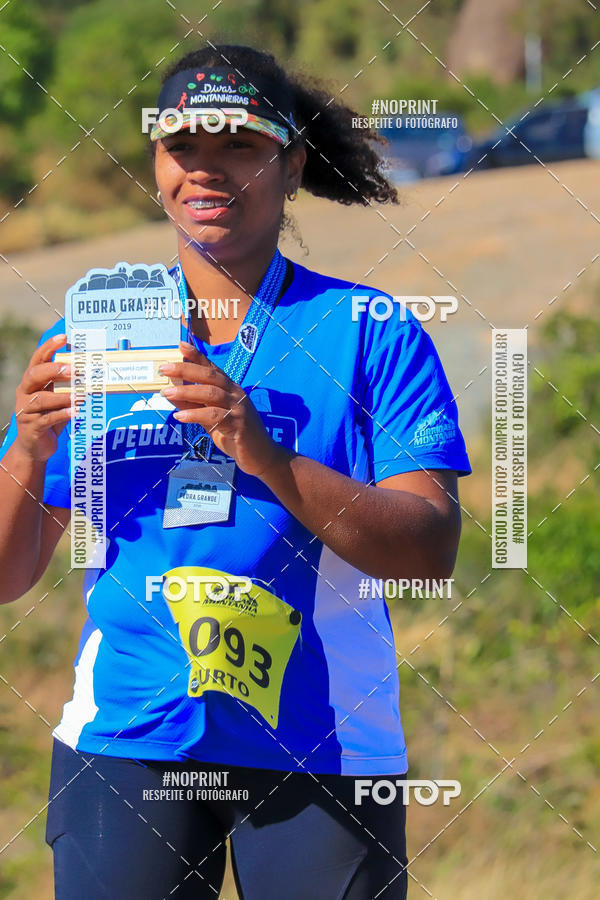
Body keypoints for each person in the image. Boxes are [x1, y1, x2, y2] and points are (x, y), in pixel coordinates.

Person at [0, 44, 471, 899]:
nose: (205, 172)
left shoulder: (372, 330)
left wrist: (267, 453)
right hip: (130, 736)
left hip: (323, 747)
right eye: (184, 148)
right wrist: (29, 450)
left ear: (291, 162)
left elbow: (430, 548)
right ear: (155, 161)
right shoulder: (98, 334)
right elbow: (5, 575)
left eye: (240, 148)